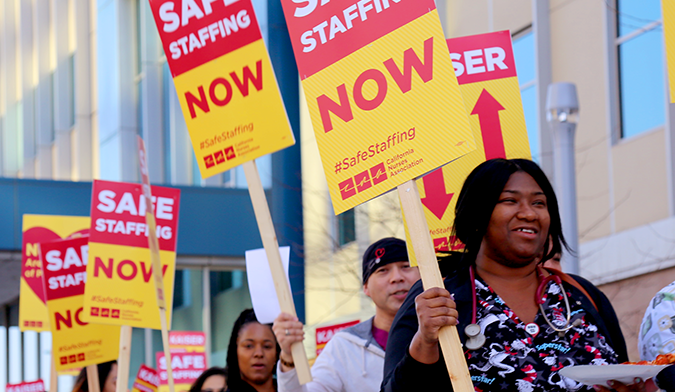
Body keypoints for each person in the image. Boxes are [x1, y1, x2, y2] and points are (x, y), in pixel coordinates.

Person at [381, 158, 654, 392]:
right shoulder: (438, 294)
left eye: (539, 203)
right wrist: (425, 340)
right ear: (478, 217)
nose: (529, 213)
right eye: (510, 200)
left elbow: (622, 375)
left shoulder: (582, 295)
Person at [273, 237, 420, 392]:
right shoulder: (344, 347)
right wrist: (289, 357)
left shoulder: (442, 333)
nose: (397, 277)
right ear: (366, 287)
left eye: (406, 266)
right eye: (382, 270)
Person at [227, 309, 280, 392]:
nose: (259, 354)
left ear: (277, 352)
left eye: (267, 346)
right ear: (235, 351)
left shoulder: (293, 388)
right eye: (249, 346)